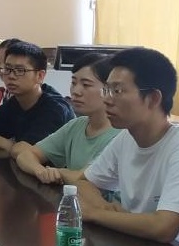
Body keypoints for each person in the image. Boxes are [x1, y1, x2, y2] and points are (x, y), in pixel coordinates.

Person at [76, 47, 179, 246]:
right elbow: (84, 183)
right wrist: (105, 208)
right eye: (106, 90)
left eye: (117, 91)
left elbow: (164, 228)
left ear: (154, 98)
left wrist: (96, 213)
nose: (107, 99)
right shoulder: (126, 138)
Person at [12, 52, 120, 184]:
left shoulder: (121, 135)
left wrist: (58, 173)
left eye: (86, 85)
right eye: (74, 83)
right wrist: (41, 171)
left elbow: (85, 178)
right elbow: (26, 155)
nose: (76, 91)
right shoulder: (76, 125)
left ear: (109, 89)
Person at [0, 40, 74, 149]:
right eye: (8, 69)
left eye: (20, 70)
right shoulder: (17, 101)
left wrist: (15, 148)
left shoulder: (54, 109)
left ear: (40, 76)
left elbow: (27, 151)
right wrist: (10, 145)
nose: (11, 76)